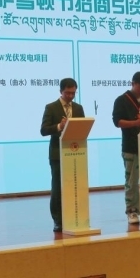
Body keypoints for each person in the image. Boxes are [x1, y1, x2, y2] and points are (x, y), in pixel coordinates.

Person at [40, 78, 85, 232]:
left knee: (75, 186)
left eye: (73, 93)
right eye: (67, 93)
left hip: (76, 153)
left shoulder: (78, 108)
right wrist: (60, 126)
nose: (70, 96)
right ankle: (58, 220)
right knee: (58, 188)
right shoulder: (51, 107)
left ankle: (75, 216)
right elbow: (43, 130)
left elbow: (82, 128)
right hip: (57, 155)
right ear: (61, 91)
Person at [112, 71, 140, 224]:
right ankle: (132, 211)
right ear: (133, 83)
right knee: (131, 181)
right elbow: (117, 122)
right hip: (130, 147)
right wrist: (136, 123)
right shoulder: (121, 100)